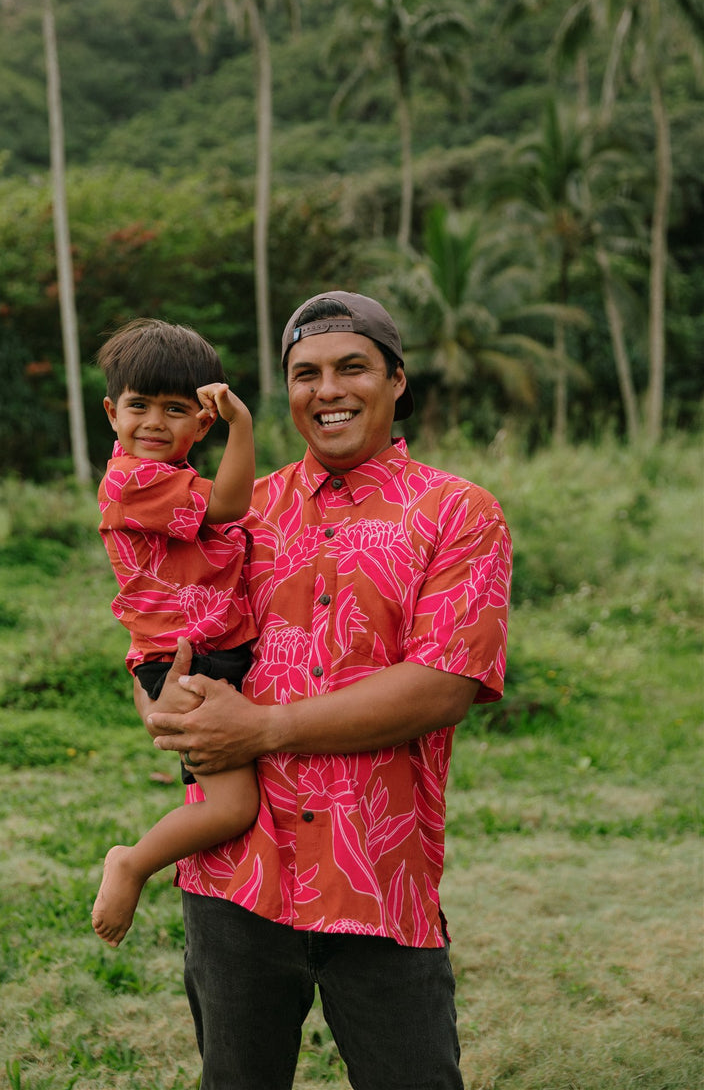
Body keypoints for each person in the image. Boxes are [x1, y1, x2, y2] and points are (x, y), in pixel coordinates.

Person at [140, 292, 512, 1089]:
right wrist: (157, 702)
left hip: (381, 879)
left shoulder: (458, 513)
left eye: (352, 367)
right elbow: (163, 618)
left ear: (397, 380)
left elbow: (443, 686)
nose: (328, 389)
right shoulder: (238, 511)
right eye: (305, 373)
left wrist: (263, 728)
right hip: (234, 877)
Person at [91, 318, 259, 948]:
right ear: (112, 413)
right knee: (231, 806)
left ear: (199, 423)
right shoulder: (134, 480)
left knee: (233, 799)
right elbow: (232, 504)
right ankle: (131, 862)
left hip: (205, 657)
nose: (154, 423)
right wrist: (243, 424)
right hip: (186, 663)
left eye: (174, 409)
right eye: (139, 406)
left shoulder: (174, 479)